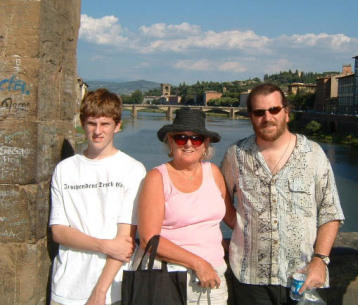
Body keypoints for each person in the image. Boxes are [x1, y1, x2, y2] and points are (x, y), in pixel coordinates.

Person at [221, 83, 345, 305]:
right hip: (250, 277)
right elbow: (220, 204)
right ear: (250, 116)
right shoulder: (235, 156)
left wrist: (320, 260)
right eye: (259, 112)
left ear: (286, 113)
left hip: (302, 275)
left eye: (274, 110)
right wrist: (245, 227)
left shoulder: (313, 154)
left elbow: (330, 211)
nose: (267, 117)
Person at [49, 88, 147, 305]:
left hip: (112, 291)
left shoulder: (132, 169)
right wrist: (104, 245)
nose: (97, 131)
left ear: (117, 126)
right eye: (92, 123)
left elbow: (125, 240)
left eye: (105, 124)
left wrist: (100, 291)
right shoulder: (64, 169)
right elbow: (59, 232)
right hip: (65, 287)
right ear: (83, 123)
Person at [136, 107, 235, 305]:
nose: (189, 143)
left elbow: (232, 219)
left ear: (205, 144)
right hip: (169, 278)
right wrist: (198, 263)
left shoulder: (214, 173)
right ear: (170, 142)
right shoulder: (157, 178)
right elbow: (149, 240)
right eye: (181, 138)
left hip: (213, 280)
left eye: (196, 138)